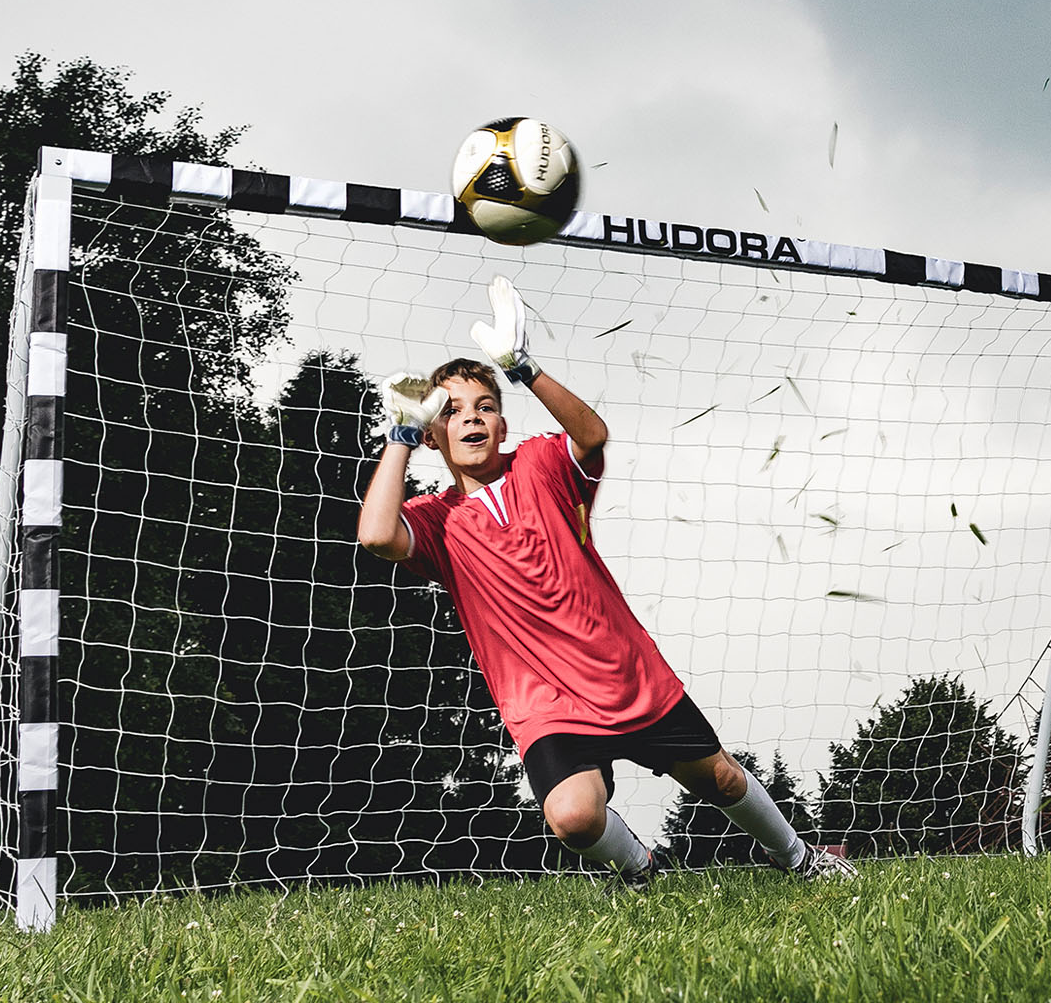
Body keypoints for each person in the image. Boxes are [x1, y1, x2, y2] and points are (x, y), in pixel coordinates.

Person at [356, 275, 856, 887]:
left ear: (504, 426)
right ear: (434, 434)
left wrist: (522, 367)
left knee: (720, 778)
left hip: (625, 673)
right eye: (452, 411)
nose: (473, 419)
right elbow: (377, 536)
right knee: (571, 816)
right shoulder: (436, 520)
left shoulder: (539, 464)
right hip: (545, 703)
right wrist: (400, 437)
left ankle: (802, 861)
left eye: (486, 406)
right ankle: (644, 870)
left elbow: (591, 436)